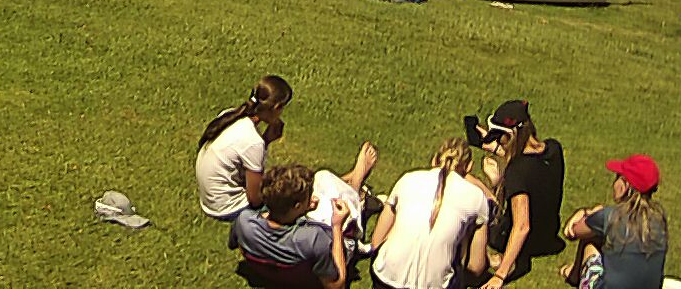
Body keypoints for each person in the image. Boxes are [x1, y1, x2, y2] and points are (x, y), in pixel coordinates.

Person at [368, 137, 491, 289]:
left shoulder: (407, 179)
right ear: (469, 167)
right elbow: (476, 267)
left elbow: (376, 241)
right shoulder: (476, 197)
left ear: (434, 159)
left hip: (385, 278)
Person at [470, 100, 565, 288]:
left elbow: (522, 226)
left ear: (510, 136)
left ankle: (481, 262)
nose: (498, 141)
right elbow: (532, 167)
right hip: (548, 235)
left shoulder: (517, 172)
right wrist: (496, 149)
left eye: (499, 137)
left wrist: (500, 275)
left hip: (517, 240)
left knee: (470, 184)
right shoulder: (554, 149)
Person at [230, 164, 350, 289]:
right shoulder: (314, 238)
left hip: (272, 274)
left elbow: (233, 244)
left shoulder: (244, 221)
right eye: (309, 195)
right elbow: (335, 286)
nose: (312, 198)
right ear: (297, 206)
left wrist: (303, 208)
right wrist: (337, 226)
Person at [561, 155, 668, 289]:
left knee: (590, 239)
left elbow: (574, 231)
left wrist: (586, 212)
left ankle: (574, 276)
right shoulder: (659, 220)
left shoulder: (609, 216)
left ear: (625, 186)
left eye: (617, 177)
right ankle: (573, 274)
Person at [196, 75, 294, 220]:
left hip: (210, 200)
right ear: (276, 107)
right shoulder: (253, 141)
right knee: (290, 200)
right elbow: (255, 199)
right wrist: (266, 141)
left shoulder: (230, 115)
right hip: (226, 208)